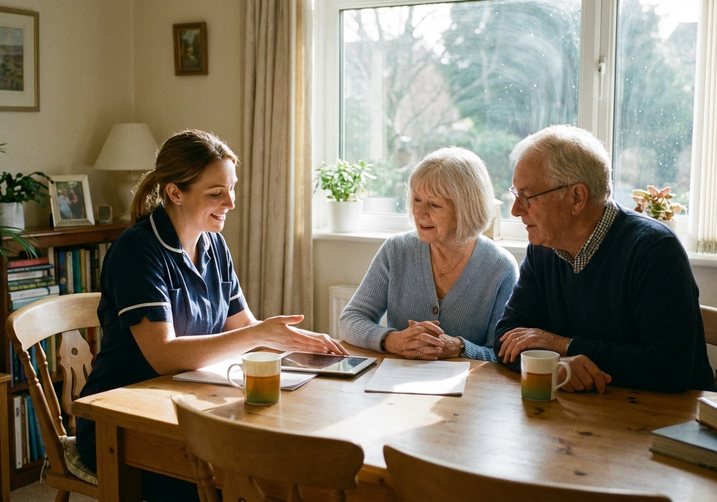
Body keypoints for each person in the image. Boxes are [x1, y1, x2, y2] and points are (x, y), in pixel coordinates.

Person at [76, 129, 346, 501]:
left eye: (232, 188)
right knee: (237, 479)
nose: (231, 202)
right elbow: (163, 355)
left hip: (188, 401)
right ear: (175, 192)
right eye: (216, 193)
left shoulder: (213, 242)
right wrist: (259, 335)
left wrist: (297, 345)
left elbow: (244, 327)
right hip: (123, 419)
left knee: (273, 466)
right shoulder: (137, 250)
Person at [494, 125, 717, 394]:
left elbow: (670, 367)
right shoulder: (543, 248)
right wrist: (560, 365)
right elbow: (506, 338)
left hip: (669, 423)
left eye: (527, 197)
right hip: (583, 416)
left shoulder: (654, 250)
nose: (516, 210)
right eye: (516, 195)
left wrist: (565, 345)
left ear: (576, 197)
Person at [339, 147, 518, 361]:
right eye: (416, 200)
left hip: (471, 389)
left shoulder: (500, 267)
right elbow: (351, 319)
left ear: (466, 208)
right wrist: (393, 340)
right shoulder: (396, 250)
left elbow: (502, 354)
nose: (419, 212)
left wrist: (460, 347)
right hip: (395, 385)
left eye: (434, 204)